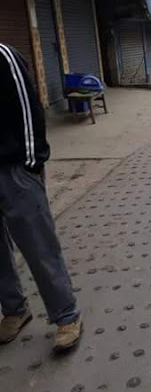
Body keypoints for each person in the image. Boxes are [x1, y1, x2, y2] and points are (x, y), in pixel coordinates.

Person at [0, 44, 82, 352]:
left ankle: (66, 315)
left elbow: (28, 107)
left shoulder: (3, 56)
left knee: (38, 245)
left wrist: (32, 163)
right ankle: (14, 309)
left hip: (14, 168)